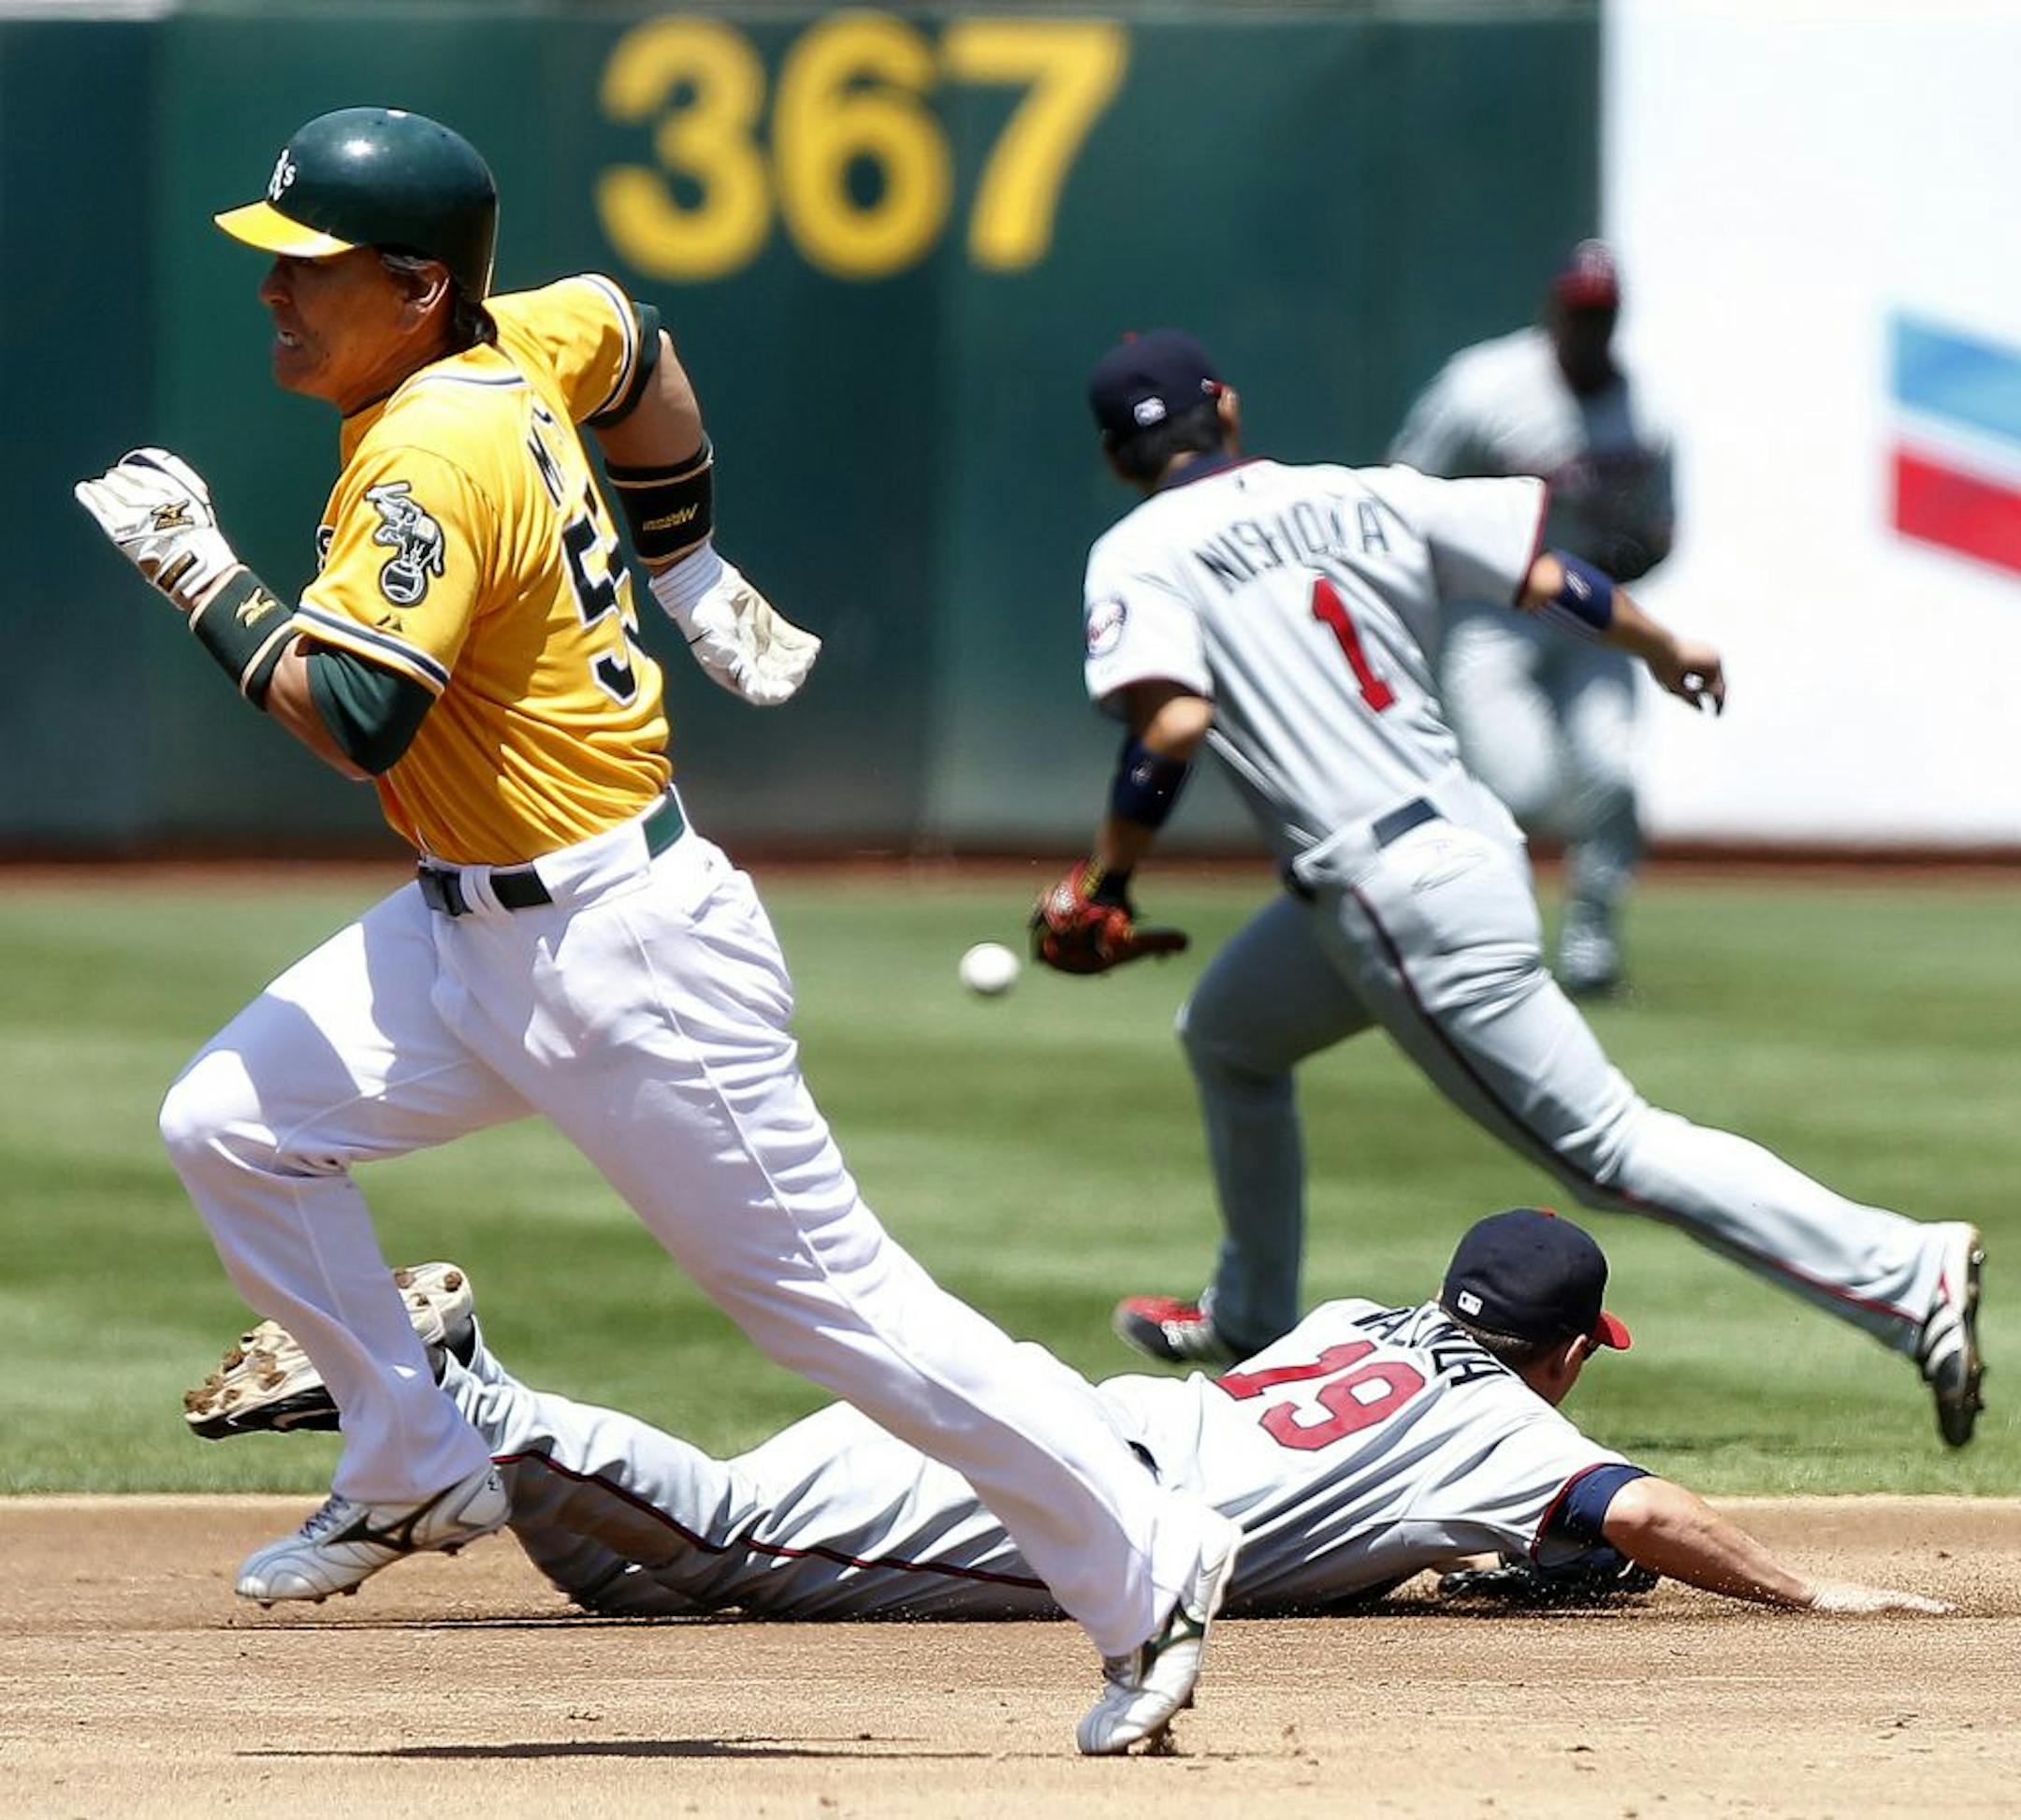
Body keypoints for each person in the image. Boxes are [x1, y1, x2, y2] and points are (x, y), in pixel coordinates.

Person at [71, 106, 1237, 1758]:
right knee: (232, 1123)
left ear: (411, 289)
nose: (274, 294)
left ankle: (1140, 1555)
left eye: (306, 270)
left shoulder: (427, 449)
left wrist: (203, 575)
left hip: (621, 951)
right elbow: (631, 339)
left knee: (832, 1308)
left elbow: (355, 715)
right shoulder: (504, 334)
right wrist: (685, 565)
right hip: (469, 929)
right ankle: (409, 1453)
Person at [1027, 328, 1985, 1453]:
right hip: (1454, 845)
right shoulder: (1363, 492)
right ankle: (1250, 1317)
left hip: (1389, 892)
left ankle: (1901, 1272)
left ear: (1115, 457)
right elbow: (1551, 578)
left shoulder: (1140, 550)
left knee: (1613, 1147)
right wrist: (1662, 643)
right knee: (1230, 1035)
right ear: (1226, 407)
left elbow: (1174, 719)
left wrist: (1105, 877)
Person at [182, 1216, 1949, 1623]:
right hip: (1075, 1505)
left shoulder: (1358, 1323)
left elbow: (1378, 1491)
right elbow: (1635, 1514)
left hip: (1076, 1419)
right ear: (1568, 1352)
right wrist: (1814, 1597)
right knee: (717, 1545)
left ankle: (433, 1416)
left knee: (654, 1578)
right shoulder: (1515, 1431)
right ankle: (461, 1387)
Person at [1389, 241, 1674, 996]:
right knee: (1523, 786)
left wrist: (1631, 551)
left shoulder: (1645, 413)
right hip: (1496, 611)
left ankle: (1591, 936)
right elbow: (1404, 488)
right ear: (1553, 311)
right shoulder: (1485, 386)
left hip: (1589, 614)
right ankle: (1451, 919)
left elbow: (1663, 531)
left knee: (1614, 773)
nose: (1590, 327)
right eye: (1579, 312)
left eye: (1602, 315)